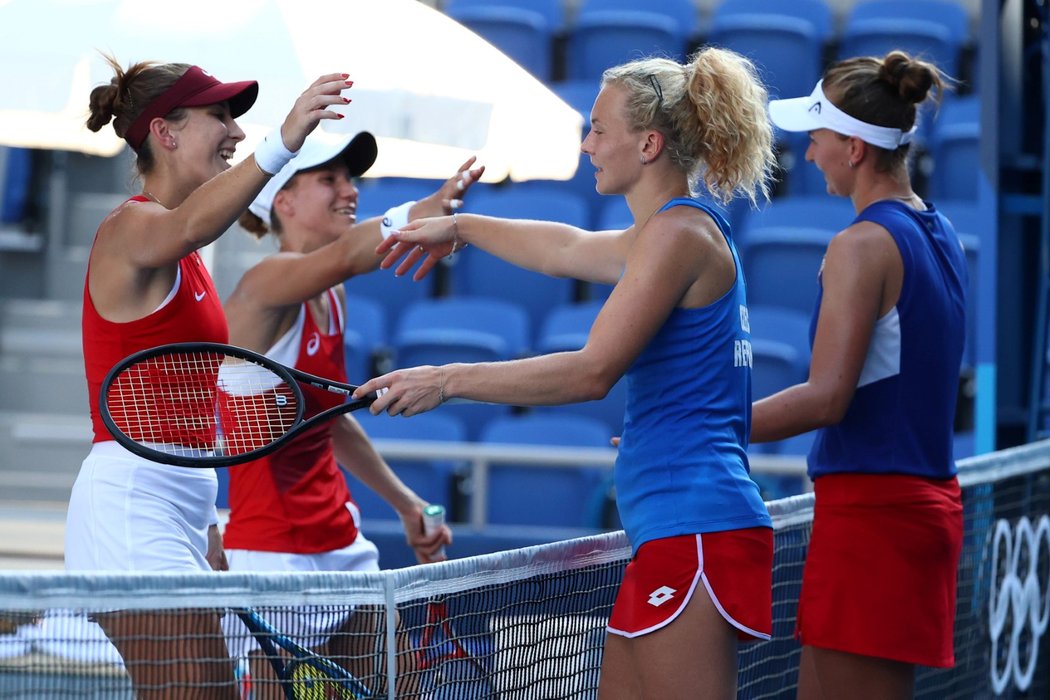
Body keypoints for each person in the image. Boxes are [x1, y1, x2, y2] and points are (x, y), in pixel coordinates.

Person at [353, 47, 777, 699]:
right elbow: (564, 249)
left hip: (695, 528)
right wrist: (460, 226)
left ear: (649, 144)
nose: (587, 145)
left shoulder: (678, 236)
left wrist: (447, 380)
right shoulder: (667, 231)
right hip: (671, 528)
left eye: (600, 129)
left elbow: (592, 372)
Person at [68, 54, 350, 699]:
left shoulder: (181, 248)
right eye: (219, 116)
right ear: (165, 132)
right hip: (132, 503)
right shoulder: (131, 227)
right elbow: (194, 220)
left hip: (180, 502)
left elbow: (190, 399)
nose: (236, 132)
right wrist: (285, 142)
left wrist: (209, 524)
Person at [221, 130, 476, 695]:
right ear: (282, 200)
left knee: (401, 687)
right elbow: (345, 256)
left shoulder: (329, 297)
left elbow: (329, 420)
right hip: (272, 561)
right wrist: (420, 213)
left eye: (350, 178)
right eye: (328, 179)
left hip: (340, 543)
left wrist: (406, 503)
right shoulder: (265, 283)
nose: (348, 190)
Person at [751, 51, 966, 699]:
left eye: (817, 138)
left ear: (853, 147)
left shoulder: (861, 246)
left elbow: (826, 398)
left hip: (877, 515)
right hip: (898, 508)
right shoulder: (940, 228)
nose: (809, 153)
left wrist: (702, 426)